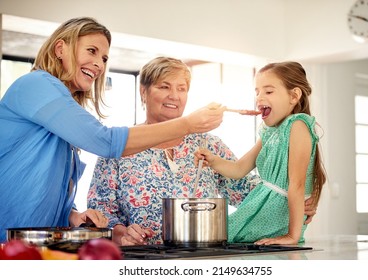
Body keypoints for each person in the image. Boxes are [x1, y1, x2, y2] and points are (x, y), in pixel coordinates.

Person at [0, 18, 225, 243]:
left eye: (104, 58)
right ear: (60, 49)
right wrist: (188, 124)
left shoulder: (59, 110)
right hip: (8, 237)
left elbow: (47, 186)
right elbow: (106, 142)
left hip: (37, 243)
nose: (99, 64)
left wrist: (74, 215)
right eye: (91, 51)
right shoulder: (36, 85)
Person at [87, 57, 318, 246]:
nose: (174, 96)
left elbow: (247, 190)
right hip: (141, 257)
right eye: (164, 86)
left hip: (200, 257)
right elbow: (100, 211)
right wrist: (122, 233)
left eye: (181, 88)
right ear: (143, 91)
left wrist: (294, 198)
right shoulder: (119, 146)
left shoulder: (210, 145)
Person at [195, 61, 326, 245]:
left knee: (214, 237)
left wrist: (292, 236)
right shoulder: (268, 131)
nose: (259, 97)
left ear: (294, 96)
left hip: (278, 214)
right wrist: (213, 160)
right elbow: (239, 169)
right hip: (261, 205)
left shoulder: (298, 125)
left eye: (269, 91)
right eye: (257, 92)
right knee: (210, 237)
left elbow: (297, 184)